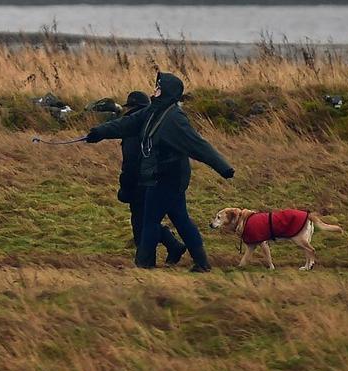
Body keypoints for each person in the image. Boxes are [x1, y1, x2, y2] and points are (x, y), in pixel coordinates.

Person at [85, 72, 235, 271]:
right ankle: (202, 264)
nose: (154, 90)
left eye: (158, 87)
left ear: (166, 92)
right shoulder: (152, 111)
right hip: (161, 178)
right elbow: (126, 124)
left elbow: (199, 145)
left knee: (149, 221)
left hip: (168, 178)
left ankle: (144, 265)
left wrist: (223, 168)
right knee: (181, 221)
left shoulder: (174, 118)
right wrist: (99, 133)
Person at [112, 91, 186, 265]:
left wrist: (125, 186)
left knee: (140, 223)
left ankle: (146, 262)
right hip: (158, 179)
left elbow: (130, 163)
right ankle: (172, 246)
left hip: (140, 182)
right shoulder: (156, 123)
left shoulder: (132, 129)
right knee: (149, 220)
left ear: (130, 108)